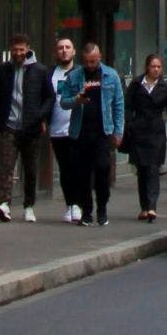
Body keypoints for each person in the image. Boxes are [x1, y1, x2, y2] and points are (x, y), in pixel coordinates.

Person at [58, 42, 124, 226]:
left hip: (103, 131)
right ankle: (87, 211)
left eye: (93, 61)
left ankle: (102, 208)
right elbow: (63, 102)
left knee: (103, 169)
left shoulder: (111, 76)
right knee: (82, 174)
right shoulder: (73, 76)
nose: (90, 65)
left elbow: (118, 105)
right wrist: (76, 100)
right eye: (87, 62)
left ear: (100, 58)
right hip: (80, 132)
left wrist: (118, 132)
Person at [0, 33, 55, 223]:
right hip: (10, 126)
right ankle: (4, 203)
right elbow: (0, 97)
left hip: (31, 127)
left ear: (28, 49)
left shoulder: (40, 70)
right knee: (7, 167)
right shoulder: (3, 70)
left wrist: (40, 116)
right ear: (10, 50)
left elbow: (49, 97)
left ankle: (29, 205)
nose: (18, 53)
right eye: (15, 50)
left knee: (30, 168)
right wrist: (2, 123)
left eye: (22, 49)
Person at [124, 54, 167, 222]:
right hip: (139, 132)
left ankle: (152, 207)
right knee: (142, 170)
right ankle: (144, 207)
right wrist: (128, 126)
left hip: (156, 133)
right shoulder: (136, 84)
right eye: (153, 66)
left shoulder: (165, 88)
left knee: (153, 169)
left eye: (158, 67)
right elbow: (128, 107)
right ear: (147, 67)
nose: (156, 70)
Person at [47, 35, 81, 223]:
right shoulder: (50, 74)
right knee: (65, 169)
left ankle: (78, 204)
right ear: (56, 52)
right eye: (61, 47)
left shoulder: (81, 73)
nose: (64, 50)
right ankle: (70, 204)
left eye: (68, 47)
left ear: (74, 51)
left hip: (77, 128)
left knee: (77, 167)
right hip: (57, 129)